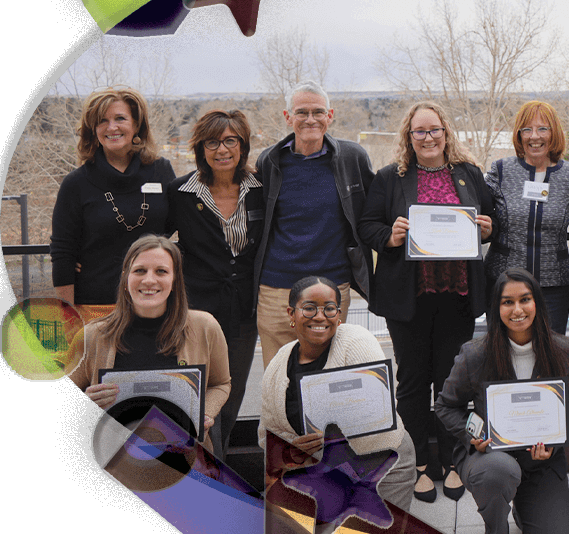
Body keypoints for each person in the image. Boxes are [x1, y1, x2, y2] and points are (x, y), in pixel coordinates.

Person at [358, 100, 496, 504]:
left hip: (457, 296)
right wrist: (392, 236)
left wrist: (486, 229)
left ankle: (455, 462)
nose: (428, 137)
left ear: (446, 133)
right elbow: (367, 226)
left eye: (434, 129)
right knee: (414, 382)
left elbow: (488, 222)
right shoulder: (390, 178)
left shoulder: (468, 175)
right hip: (409, 300)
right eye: (419, 131)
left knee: (453, 383)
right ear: (408, 137)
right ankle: (419, 464)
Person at [435, 270, 569, 534]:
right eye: (507, 302)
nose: (517, 310)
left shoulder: (564, 350)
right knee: (501, 470)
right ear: (496, 308)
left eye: (525, 300)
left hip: (542, 462)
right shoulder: (476, 354)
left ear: (537, 303)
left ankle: (525, 507)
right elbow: (445, 406)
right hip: (488, 459)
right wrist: (474, 435)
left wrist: (554, 445)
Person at [257, 276, 416, 510]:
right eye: (309, 308)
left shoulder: (356, 342)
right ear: (292, 314)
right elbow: (268, 434)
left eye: (329, 309)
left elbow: (379, 410)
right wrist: (292, 448)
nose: (320, 316)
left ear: (339, 315)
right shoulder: (279, 364)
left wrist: (334, 439)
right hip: (316, 469)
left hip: (380, 461)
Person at [68, 235, 231, 451]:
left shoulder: (205, 327)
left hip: (185, 460)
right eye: (140, 271)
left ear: (174, 281)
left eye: (161, 271)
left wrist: (205, 413)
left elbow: (220, 384)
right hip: (115, 459)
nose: (149, 280)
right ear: (126, 277)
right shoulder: (92, 335)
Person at [254, 81, 374, 369]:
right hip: (276, 288)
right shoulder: (268, 161)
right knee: (279, 375)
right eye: (302, 112)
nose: (310, 119)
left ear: (330, 115)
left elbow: (373, 213)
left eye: (318, 112)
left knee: (327, 374)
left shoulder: (351, 158)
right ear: (288, 117)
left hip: (330, 285)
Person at [165, 109, 263, 459]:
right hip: (195, 312)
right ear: (200, 148)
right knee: (197, 391)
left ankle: (214, 463)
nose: (222, 149)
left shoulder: (260, 190)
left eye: (230, 140)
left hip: (244, 311)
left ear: (243, 145)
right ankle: (208, 468)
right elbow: (154, 243)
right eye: (212, 142)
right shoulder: (180, 192)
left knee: (231, 390)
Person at [51, 87, 175, 317]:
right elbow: (62, 253)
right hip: (95, 308)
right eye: (102, 121)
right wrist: (69, 317)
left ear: (136, 125)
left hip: (154, 304)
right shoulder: (76, 184)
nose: (111, 127)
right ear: (93, 130)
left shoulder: (162, 171)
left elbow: (183, 227)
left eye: (120, 118)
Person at [484, 101, 569, 334]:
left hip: (554, 287)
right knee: (503, 358)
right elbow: (483, 216)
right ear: (519, 135)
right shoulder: (501, 170)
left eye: (542, 129)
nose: (534, 136)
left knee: (550, 358)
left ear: (554, 133)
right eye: (526, 129)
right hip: (504, 284)